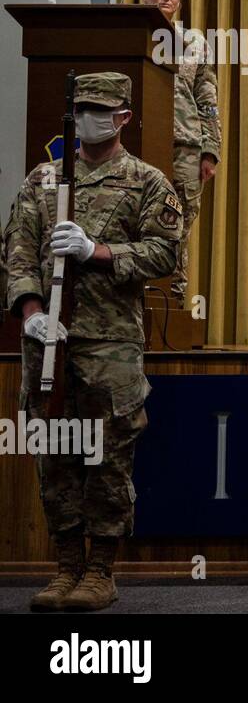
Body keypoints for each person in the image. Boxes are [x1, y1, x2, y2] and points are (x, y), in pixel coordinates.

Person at [5, 73, 182, 612]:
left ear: (123, 117)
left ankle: (101, 571)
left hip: (109, 347)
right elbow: (17, 252)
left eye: (100, 109)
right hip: (48, 343)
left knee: (106, 460)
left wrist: (97, 251)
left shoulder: (147, 182)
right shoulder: (44, 180)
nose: (89, 117)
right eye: (81, 108)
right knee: (56, 458)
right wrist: (31, 313)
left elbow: (166, 255)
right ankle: (65, 568)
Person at [140, 0, 223, 301]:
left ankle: (171, 305)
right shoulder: (131, 35)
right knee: (140, 225)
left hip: (185, 147)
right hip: (139, 145)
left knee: (178, 228)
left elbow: (208, 99)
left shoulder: (194, 42)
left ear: (180, 0)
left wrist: (210, 150)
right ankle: (138, 301)